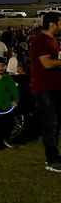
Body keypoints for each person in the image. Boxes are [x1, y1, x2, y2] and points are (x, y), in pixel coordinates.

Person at [29, 12, 61, 173]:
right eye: (60, 22)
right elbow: (47, 64)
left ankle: (55, 155)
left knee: (56, 124)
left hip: (54, 87)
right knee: (50, 124)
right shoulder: (40, 40)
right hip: (44, 89)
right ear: (52, 24)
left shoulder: (52, 40)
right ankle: (51, 160)